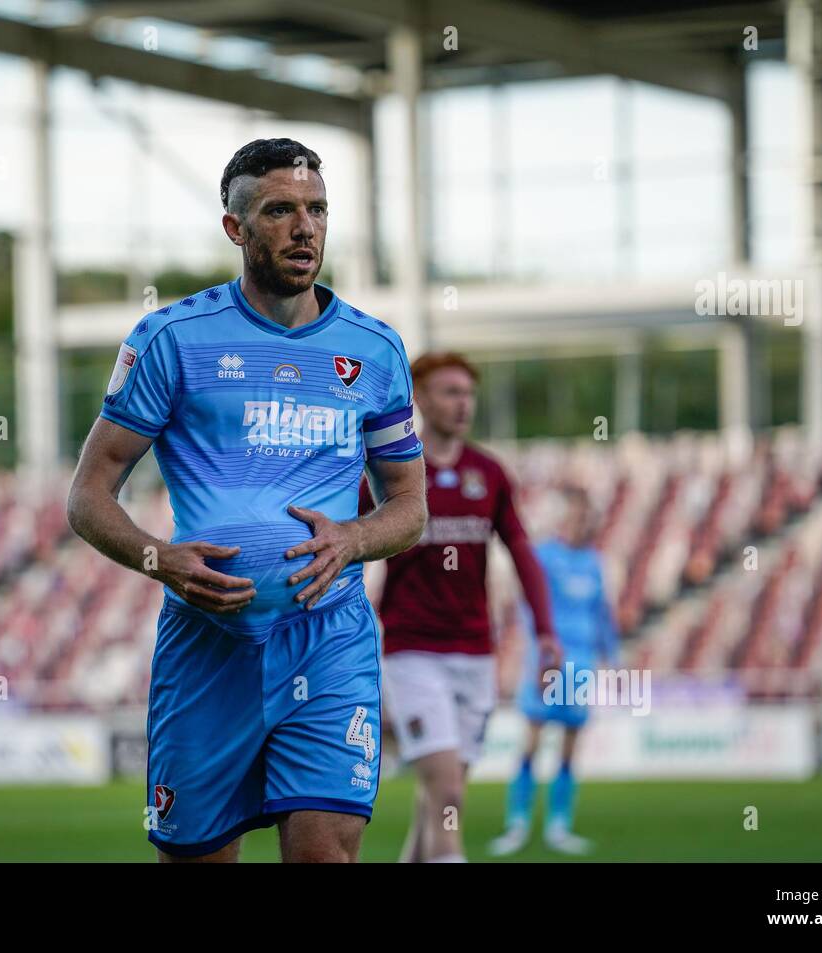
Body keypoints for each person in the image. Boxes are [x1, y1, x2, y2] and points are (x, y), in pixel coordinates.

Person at [67, 138, 427, 862]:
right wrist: (158, 556)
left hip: (328, 638)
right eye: (281, 210)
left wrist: (353, 540)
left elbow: (410, 505)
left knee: (325, 854)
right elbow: (87, 493)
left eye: (318, 209)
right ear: (236, 228)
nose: (306, 228)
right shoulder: (172, 338)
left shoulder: (375, 349)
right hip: (208, 648)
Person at [358, 351, 560, 863]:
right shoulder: (389, 473)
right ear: (420, 398)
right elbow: (348, 550)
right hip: (413, 653)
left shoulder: (487, 473)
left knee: (437, 803)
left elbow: (521, 551)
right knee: (448, 795)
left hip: (476, 655)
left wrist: (546, 632)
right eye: (450, 392)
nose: (463, 403)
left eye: (468, 392)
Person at [489, 485, 619, 857]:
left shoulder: (594, 563)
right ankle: (517, 824)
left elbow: (602, 614)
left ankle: (559, 826)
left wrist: (611, 656)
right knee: (530, 742)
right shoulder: (545, 556)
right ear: (565, 519)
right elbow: (528, 598)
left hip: (582, 664)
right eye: (577, 516)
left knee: (569, 748)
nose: (583, 524)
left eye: (587, 518)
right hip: (549, 662)